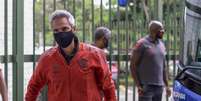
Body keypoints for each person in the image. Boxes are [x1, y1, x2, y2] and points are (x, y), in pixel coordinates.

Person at [25, 10, 116, 101]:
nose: (60, 33)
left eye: (64, 29)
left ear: (73, 28)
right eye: (56, 30)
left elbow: (108, 87)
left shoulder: (95, 54)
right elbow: (33, 86)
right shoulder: (47, 59)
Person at [130, 20, 171, 101]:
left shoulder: (161, 45)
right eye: (161, 30)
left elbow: (163, 67)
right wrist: (138, 85)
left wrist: (167, 86)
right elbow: (132, 65)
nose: (163, 32)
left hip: (159, 87)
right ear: (155, 31)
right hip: (146, 87)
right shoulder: (142, 44)